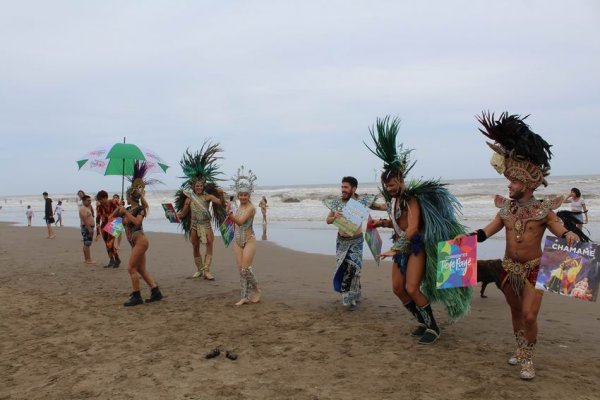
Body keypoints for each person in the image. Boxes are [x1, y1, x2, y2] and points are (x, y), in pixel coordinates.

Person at [464, 112, 580, 380]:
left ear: (527, 184)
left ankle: (528, 359)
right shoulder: (505, 209)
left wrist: (569, 236)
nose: (509, 185)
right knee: (516, 313)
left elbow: (557, 227)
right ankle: (520, 348)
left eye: (514, 182)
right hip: (508, 270)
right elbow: (488, 230)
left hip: (534, 270)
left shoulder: (542, 210)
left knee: (529, 316)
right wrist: (469, 238)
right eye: (510, 181)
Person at [367, 116, 471, 345]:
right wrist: (381, 224)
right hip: (400, 249)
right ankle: (422, 321)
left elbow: (413, 228)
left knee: (412, 288)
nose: (390, 189)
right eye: (387, 186)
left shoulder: (412, 199)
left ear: (401, 180)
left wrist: (394, 249)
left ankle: (433, 327)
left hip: (414, 248)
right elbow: (398, 222)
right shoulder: (394, 201)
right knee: (397, 288)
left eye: (393, 184)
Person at [112, 161, 163, 307]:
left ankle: (136, 296)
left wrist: (126, 212)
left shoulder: (140, 209)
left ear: (132, 197)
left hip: (141, 241)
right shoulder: (126, 208)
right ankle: (155, 291)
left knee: (131, 268)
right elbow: (112, 219)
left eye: (128, 196)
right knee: (140, 269)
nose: (127, 198)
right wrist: (119, 206)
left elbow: (136, 222)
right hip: (135, 242)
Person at [324, 176, 379, 310]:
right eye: (342, 187)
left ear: (354, 188)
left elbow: (380, 206)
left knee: (353, 268)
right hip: (341, 241)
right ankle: (353, 294)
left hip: (356, 240)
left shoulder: (361, 202)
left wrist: (394, 203)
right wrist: (334, 217)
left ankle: (350, 298)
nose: (343, 190)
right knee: (344, 267)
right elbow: (327, 220)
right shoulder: (337, 203)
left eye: (346, 187)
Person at [175, 145, 227, 280]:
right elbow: (183, 214)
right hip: (194, 225)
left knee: (210, 243)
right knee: (195, 246)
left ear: (203, 186)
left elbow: (220, 203)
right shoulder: (189, 198)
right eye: (196, 186)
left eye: (200, 185)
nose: (198, 187)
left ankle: (207, 270)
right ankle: (199, 269)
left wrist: (221, 195)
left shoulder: (207, 197)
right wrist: (172, 215)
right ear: (193, 186)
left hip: (206, 224)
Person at [229, 166, 261, 306]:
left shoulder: (251, 208)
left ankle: (256, 288)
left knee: (245, 269)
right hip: (237, 240)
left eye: (245, 195)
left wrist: (229, 216)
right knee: (240, 271)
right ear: (238, 195)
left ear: (249, 196)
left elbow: (241, 222)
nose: (243, 197)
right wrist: (228, 211)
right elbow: (234, 223)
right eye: (241, 195)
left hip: (249, 240)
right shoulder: (238, 207)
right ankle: (244, 297)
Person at [96, 190, 121, 268]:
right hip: (104, 225)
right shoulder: (99, 206)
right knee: (107, 245)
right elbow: (98, 218)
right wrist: (97, 232)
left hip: (115, 223)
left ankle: (116, 260)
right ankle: (113, 260)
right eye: (99, 199)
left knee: (109, 243)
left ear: (106, 197)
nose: (100, 201)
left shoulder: (114, 201)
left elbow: (121, 209)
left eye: (101, 199)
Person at [78, 195, 96, 264]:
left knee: (87, 243)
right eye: (88, 200)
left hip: (89, 227)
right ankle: (88, 259)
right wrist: (89, 228)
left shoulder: (87, 208)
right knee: (87, 244)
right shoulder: (83, 209)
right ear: (83, 201)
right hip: (87, 227)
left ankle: (87, 259)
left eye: (90, 200)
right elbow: (84, 219)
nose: (90, 202)